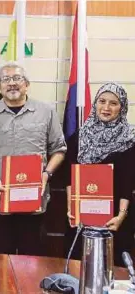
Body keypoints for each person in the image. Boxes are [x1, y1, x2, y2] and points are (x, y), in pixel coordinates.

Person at [0, 63, 67, 256]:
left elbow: (59, 149)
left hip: (34, 200)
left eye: (17, 78)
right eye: (6, 79)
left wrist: (47, 174)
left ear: (27, 84)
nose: (12, 84)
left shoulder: (46, 112)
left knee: (33, 257)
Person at [61, 82, 134, 266]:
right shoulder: (79, 136)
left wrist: (121, 216)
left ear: (122, 107)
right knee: (78, 269)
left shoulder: (130, 138)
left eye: (113, 103)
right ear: (95, 104)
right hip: (81, 218)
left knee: (113, 270)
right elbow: (69, 176)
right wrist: (72, 209)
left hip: (115, 218)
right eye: (102, 101)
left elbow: (128, 182)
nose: (106, 107)